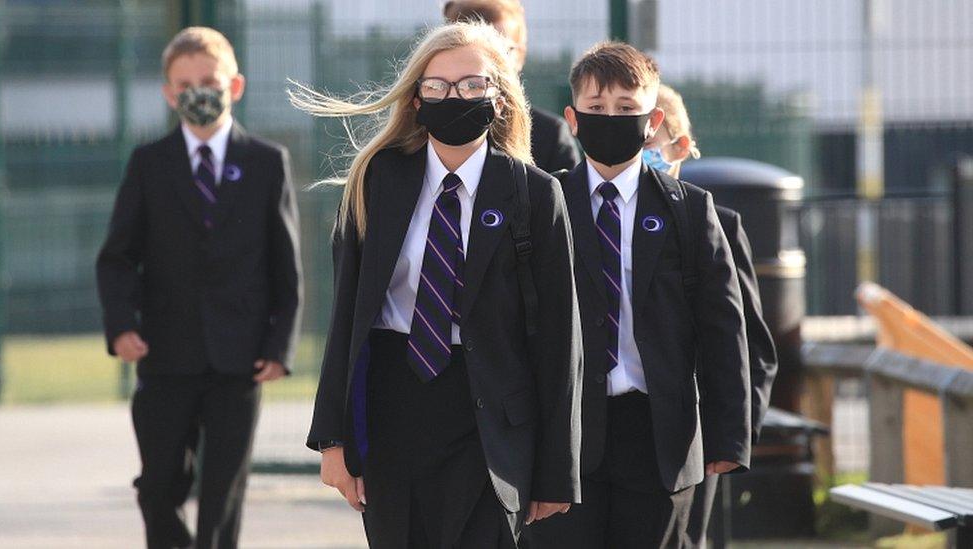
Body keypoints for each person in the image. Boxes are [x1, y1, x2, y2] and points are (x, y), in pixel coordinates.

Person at [291, 21, 582, 548]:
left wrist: (556, 469)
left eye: (472, 85)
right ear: (417, 99)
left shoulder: (535, 195)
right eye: (437, 87)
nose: (455, 97)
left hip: (490, 424)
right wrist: (332, 439)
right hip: (392, 413)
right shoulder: (377, 178)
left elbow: (562, 342)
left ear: (499, 98)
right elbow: (348, 316)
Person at [525, 42, 751, 548]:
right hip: (565, 435)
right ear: (573, 118)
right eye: (596, 108)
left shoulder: (689, 209)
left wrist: (729, 433)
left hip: (658, 435)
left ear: (653, 120)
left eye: (627, 109)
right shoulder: (543, 202)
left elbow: (722, 325)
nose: (611, 118)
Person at [96, 26, 303, 549]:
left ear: (234, 85)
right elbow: (118, 257)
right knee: (158, 486)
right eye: (184, 84)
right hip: (165, 354)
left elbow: (286, 267)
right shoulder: (149, 164)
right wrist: (121, 325)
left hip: (241, 358)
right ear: (169, 93)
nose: (197, 92)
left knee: (223, 491)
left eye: (208, 80)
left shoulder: (265, 163)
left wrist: (280, 346)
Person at [645, 83, 778, 547]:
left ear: (680, 147)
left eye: (648, 142)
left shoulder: (716, 221)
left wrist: (732, 435)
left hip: (694, 437)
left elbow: (752, 346)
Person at [443, 0, 581, 174]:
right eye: (478, 51)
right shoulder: (431, 127)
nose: (490, 63)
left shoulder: (550, 135)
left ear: (521, 54)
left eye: (502, 50)